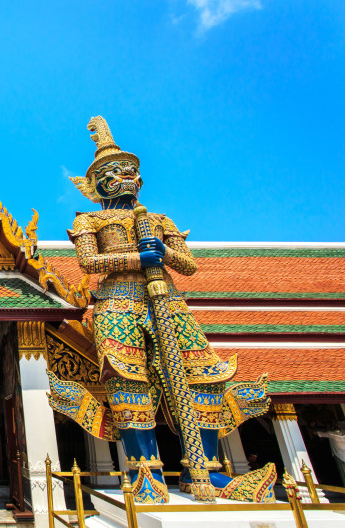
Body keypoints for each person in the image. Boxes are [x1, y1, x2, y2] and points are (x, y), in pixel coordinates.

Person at [47, 116, 275, 504]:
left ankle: (205, 471)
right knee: (127, 381)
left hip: (167, 301)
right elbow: (89, 263)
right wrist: (138, 255)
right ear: (96, 184)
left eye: (131, 171)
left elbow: (188, 265)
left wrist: (163, 250)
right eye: (115, 172)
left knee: (203, 378)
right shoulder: (89, 219)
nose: (126, 177)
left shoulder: (158, 218)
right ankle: (144, 471)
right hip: (116, 303)